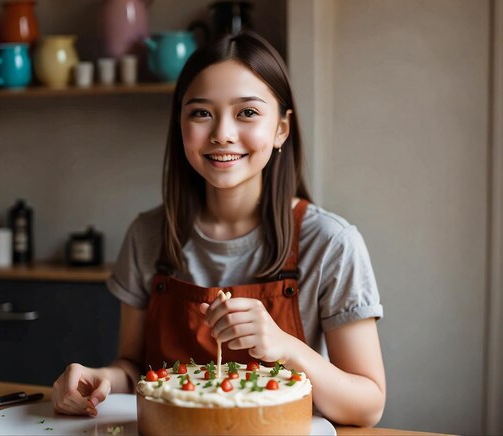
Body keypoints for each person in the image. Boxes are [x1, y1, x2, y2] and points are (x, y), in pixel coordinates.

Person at [52, 31, 386, 427]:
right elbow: (133, 366)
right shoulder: (147, 236)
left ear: (281, 128)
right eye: (201, 112)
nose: (222, 133)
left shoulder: (332, 244)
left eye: (247, 113)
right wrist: (103, 378)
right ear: (181, 124)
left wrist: (286, 348)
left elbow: (368, 405)